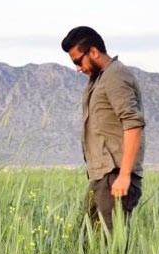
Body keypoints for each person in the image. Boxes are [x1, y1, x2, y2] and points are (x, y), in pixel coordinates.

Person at [61, 26, 145, 231]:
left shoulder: (115, 75)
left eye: (77, 61)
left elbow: (133, 124)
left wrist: (124, 175)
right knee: (86, 249)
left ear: (94, 52)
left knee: (108, 251)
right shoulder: (98, 80)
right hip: (101, 177)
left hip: (115, 177)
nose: (77, 68)